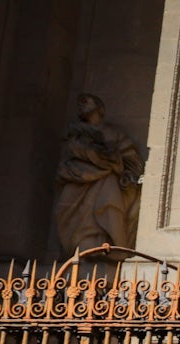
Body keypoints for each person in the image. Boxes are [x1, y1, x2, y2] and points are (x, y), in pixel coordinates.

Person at [54, 93, 143, 257]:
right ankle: (78, 250)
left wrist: (124, 172)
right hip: (77, 179)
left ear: (99, 108)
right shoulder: (76, 132)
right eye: (79, 103)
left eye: (85, 101)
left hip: (106, 181)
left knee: (108, 202)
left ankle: (104, 246)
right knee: (71, 212)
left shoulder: (113, 133)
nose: (80, 105)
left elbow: (130, 158)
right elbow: (73, 152)